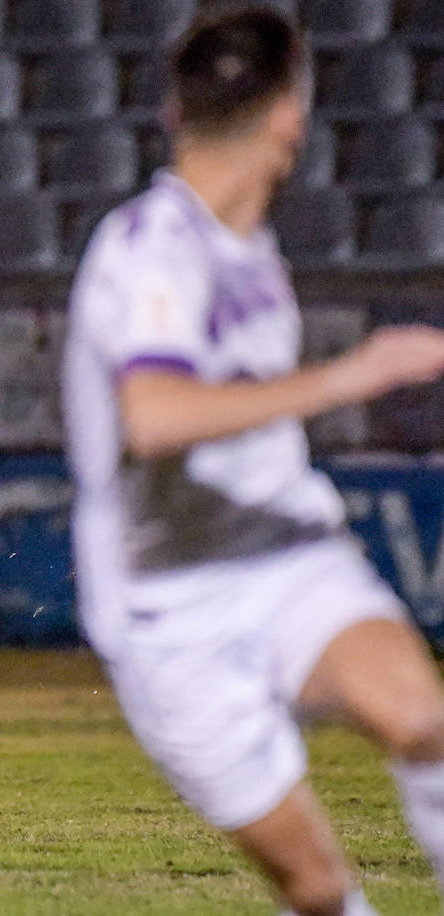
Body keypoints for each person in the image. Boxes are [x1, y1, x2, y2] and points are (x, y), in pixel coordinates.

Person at [64, 7, 444, 914]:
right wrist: (356, 373)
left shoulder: (248, 247)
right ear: (290, 118)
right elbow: (155, 417)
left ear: (172, 113)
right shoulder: (152, 248)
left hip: (286, 556)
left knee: (428, 723)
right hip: (167, 611)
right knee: (317, 889)